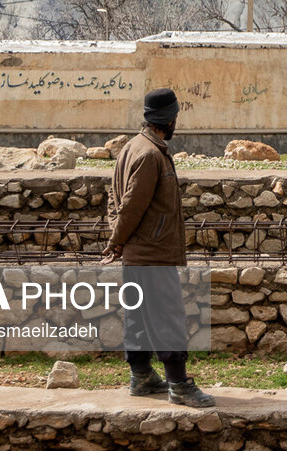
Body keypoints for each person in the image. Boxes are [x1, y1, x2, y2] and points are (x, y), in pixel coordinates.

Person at [101, 88, 215, 408]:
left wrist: (120, 240)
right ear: (169, 118)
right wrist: (117, 241)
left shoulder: (132, 147)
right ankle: (178, 384)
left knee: (137, 315)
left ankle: (141, 376)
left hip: (138, 252)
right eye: (176, 116)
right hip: (152, 253)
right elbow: (130, 206)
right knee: (168, 316)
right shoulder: (151, 155)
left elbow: (114, 201)